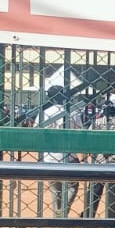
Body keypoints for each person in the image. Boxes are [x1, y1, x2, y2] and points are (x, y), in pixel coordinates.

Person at [38, 85, 77, 218]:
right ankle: (63, 211)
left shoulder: (45, 112)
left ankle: (57, 216)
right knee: (72, 186)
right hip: (69, 155)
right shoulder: (72, 111)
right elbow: (80, 130)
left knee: (55, 190)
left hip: (50, 156)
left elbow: (37, 131)